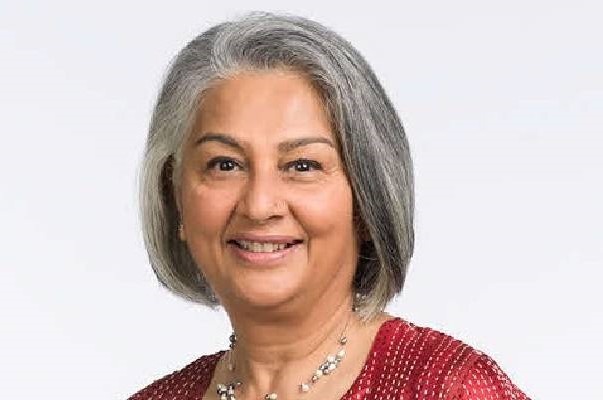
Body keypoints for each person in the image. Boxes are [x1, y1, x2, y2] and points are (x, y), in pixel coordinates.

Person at [130, 11, 530, 400]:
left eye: (302, 166)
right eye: (225, 164)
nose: (259, 205)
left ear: (367, 201)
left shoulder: (450, 389)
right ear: (175, 196)